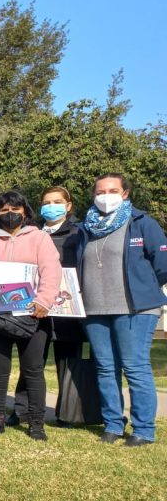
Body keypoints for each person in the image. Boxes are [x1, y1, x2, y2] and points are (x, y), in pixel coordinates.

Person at [76, 173, 167, 447]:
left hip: (135, 309)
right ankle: (113, 424)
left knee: (135, 367)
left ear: (125, 193)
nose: (106, 195)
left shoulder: (142, 223)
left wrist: (143, 289)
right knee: (105, 368)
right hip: (94, 309)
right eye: (100, 191)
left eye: (112, 190)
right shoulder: (86, 227)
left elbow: (162, 264)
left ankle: (143, 429)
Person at [0, 191, 61, 440]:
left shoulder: (40, 238)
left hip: (34, 316)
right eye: (4, 209)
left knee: (33, 371)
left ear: (25, 212)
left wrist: (44, 301)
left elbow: (51, 271)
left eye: (15, 209)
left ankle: (36, 423)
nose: (10, 214)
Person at [7, 186, 84, 426]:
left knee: (68, 362)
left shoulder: (79, 233)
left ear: (68, 205)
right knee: (31, 362)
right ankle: (22, 411)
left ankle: (67, 413)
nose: (52, 206)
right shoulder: (32, 233)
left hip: (67, 308)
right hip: (36, 308)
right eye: (47, 202)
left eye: (57, 201)